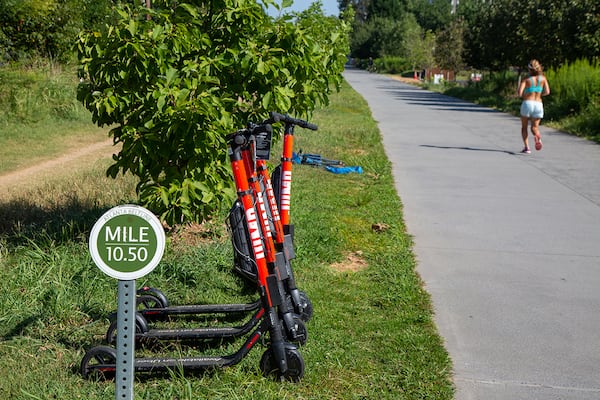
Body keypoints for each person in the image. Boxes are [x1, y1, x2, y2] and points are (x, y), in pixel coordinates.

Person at [517, 59, 550, 154]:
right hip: (538, 104)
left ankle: (527, 147)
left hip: (527, 103)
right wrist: (539, 94)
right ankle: (538, 137)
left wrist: (526, 94)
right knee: (534, 127)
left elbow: (519, 93)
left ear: (529, 69)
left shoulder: (526, 79)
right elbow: (547, 92)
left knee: (524, 127)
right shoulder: (543, 78)